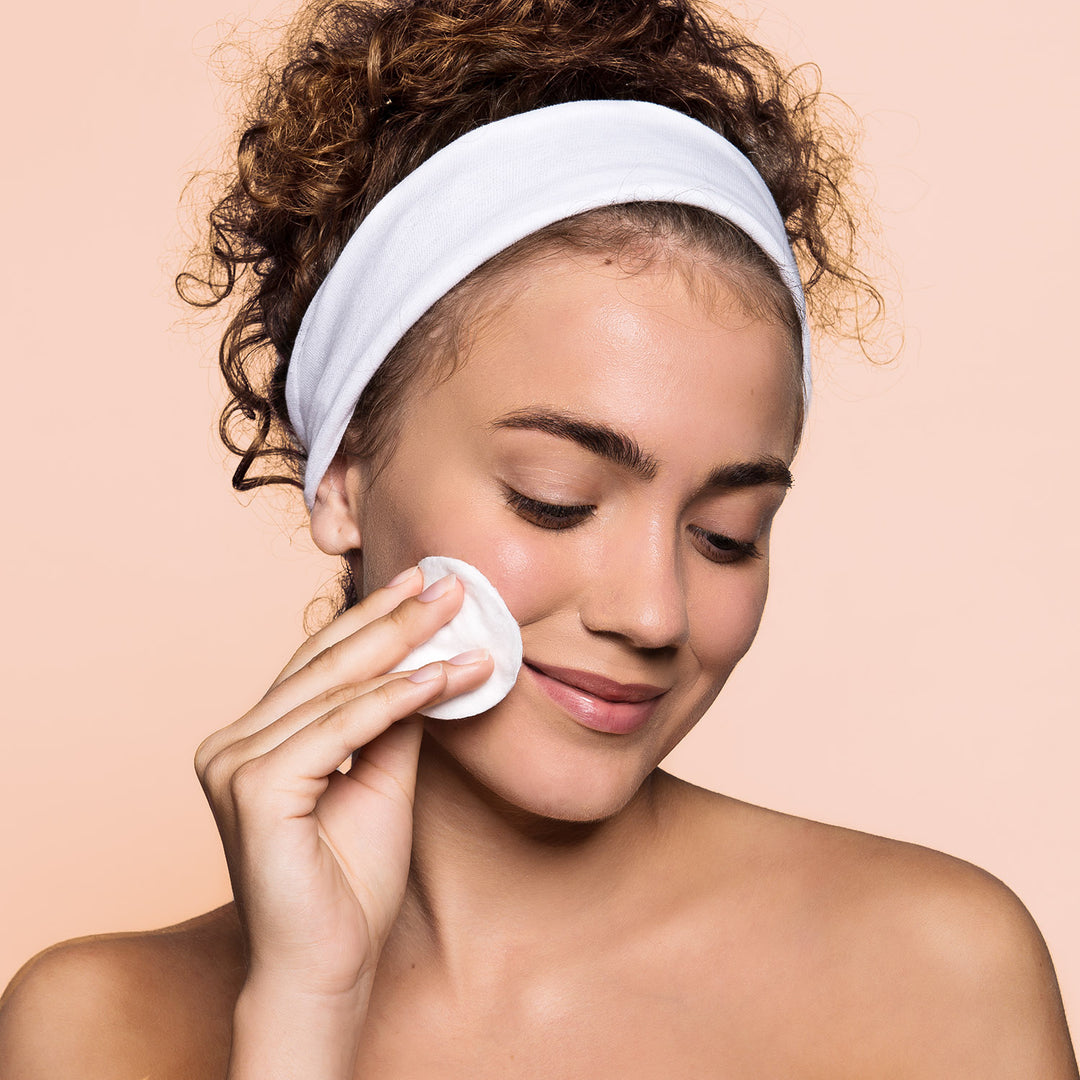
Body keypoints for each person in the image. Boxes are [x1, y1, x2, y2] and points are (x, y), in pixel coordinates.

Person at [1, 0, 1076, 1077]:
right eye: (555, 500)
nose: (653, 613)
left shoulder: (933, 973)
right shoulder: (99, 1032)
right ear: (341, 477)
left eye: (726, 534)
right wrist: (303, 1013)